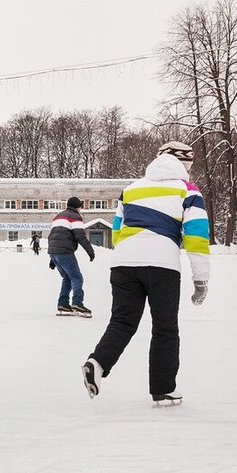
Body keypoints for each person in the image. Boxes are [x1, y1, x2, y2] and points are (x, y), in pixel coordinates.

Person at [82, 142, 209, 406]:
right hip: (162, 264)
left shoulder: (130, 189)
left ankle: (98, 362)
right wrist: (200, 280)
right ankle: (163, 389)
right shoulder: (188, 191)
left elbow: (117, 232)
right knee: (165, 327)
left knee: (122, 322)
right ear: (184, 164)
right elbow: (197, 238)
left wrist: (132, 250)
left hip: (123, 262)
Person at [48, 196, 95, 317]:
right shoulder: (75, 216)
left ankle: (63, 304)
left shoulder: (58, 216)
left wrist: (52, 258)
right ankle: (77, 303)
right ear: (78, 207)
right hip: (65, 252)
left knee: (67, 278)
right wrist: (90, 251)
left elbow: (52, 236)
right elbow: (80, 236)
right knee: (76, 277)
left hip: (54, 252)